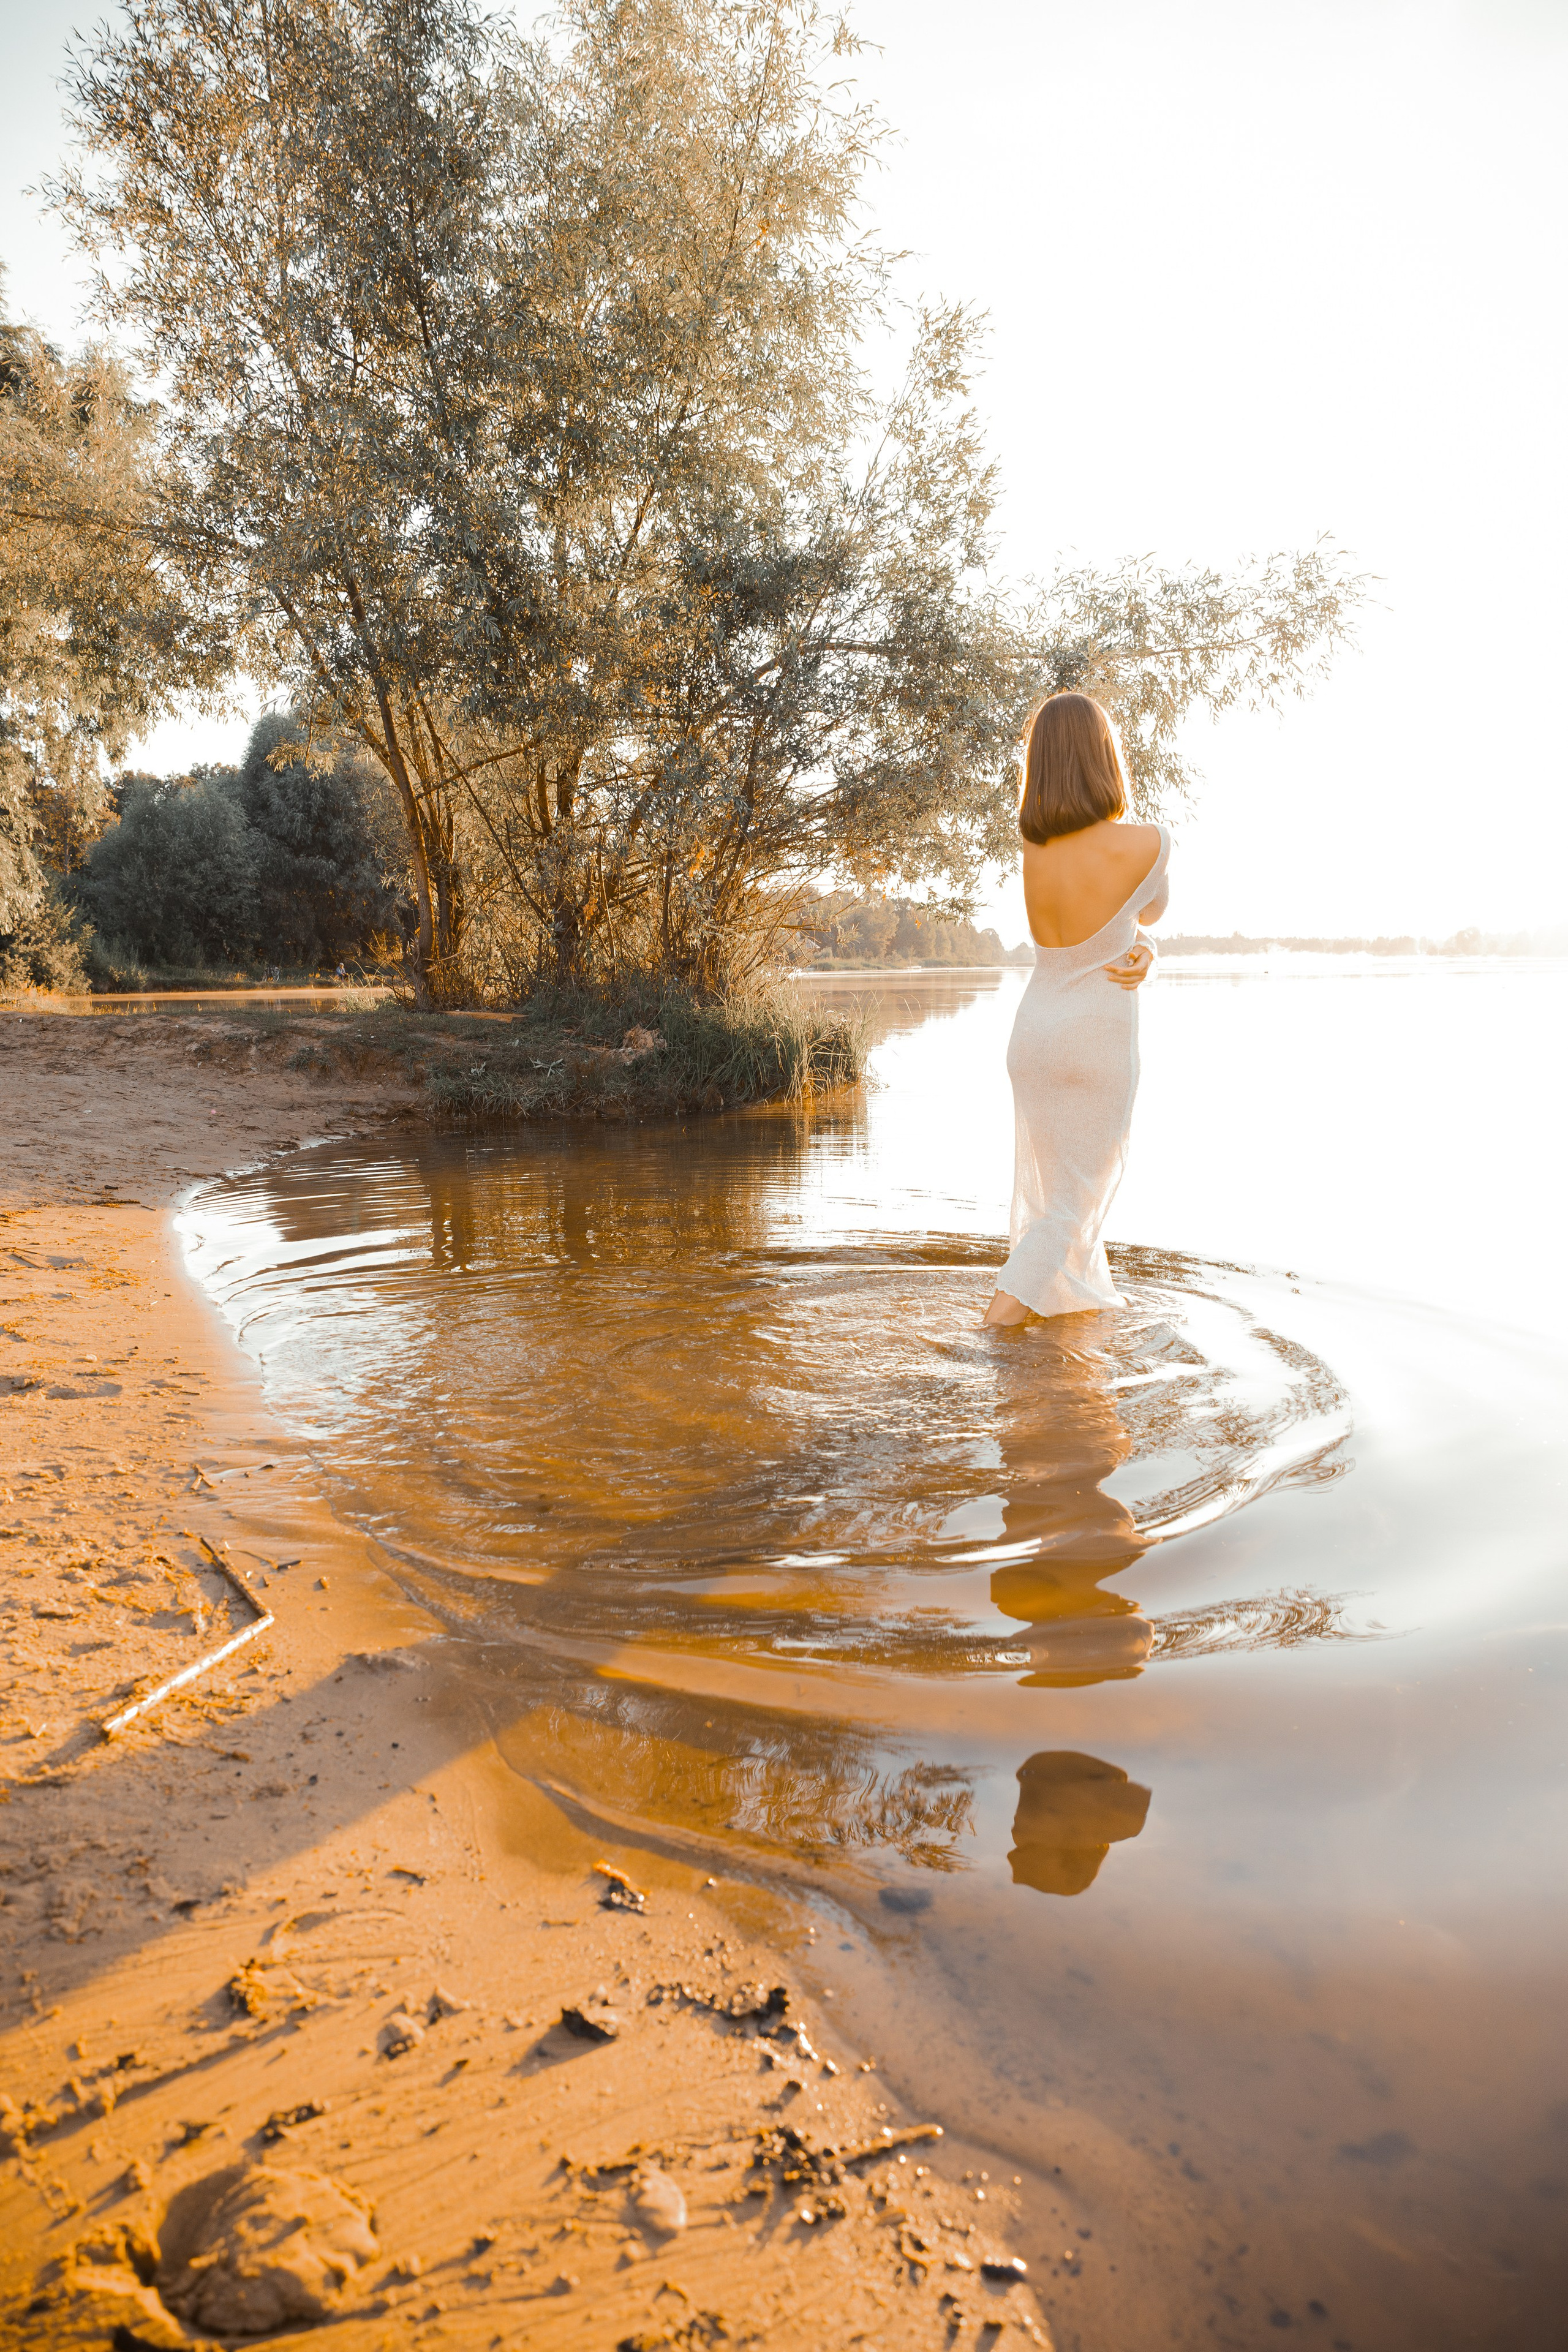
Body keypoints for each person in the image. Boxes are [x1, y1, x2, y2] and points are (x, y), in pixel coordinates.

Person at [982, 692, 1169, 1327]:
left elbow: (1115, 931)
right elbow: (1149, 912)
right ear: (1104, 756)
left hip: (1033, 1033)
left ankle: (1044, 1343)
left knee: (1054, 1208)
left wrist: (1142, 950)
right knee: (1071, 1207)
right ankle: (991, 1331)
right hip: (1095, 1039)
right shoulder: (1148, 841)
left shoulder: (1033, 850)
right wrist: (1147, 948)